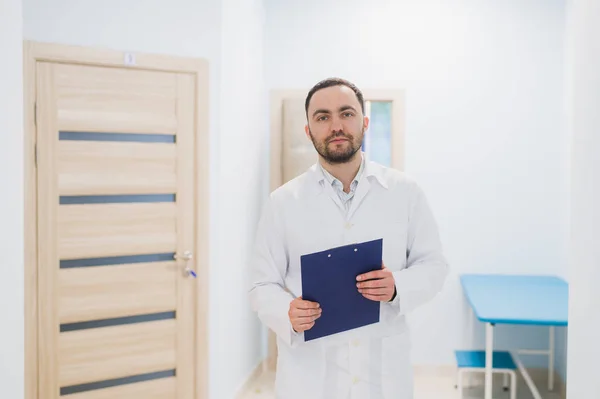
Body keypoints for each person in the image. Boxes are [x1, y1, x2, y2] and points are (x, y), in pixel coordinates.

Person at [248, 77, 448, 399]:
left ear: (364, 122)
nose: (336, 125)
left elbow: (434, 266)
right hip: (310, 377)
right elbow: (261, 285)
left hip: (382, 375)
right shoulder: (283, 202)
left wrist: (397, 285)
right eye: (323, 117)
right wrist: (287, 311)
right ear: (308, 130)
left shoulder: (405, 193)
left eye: (346, 113)